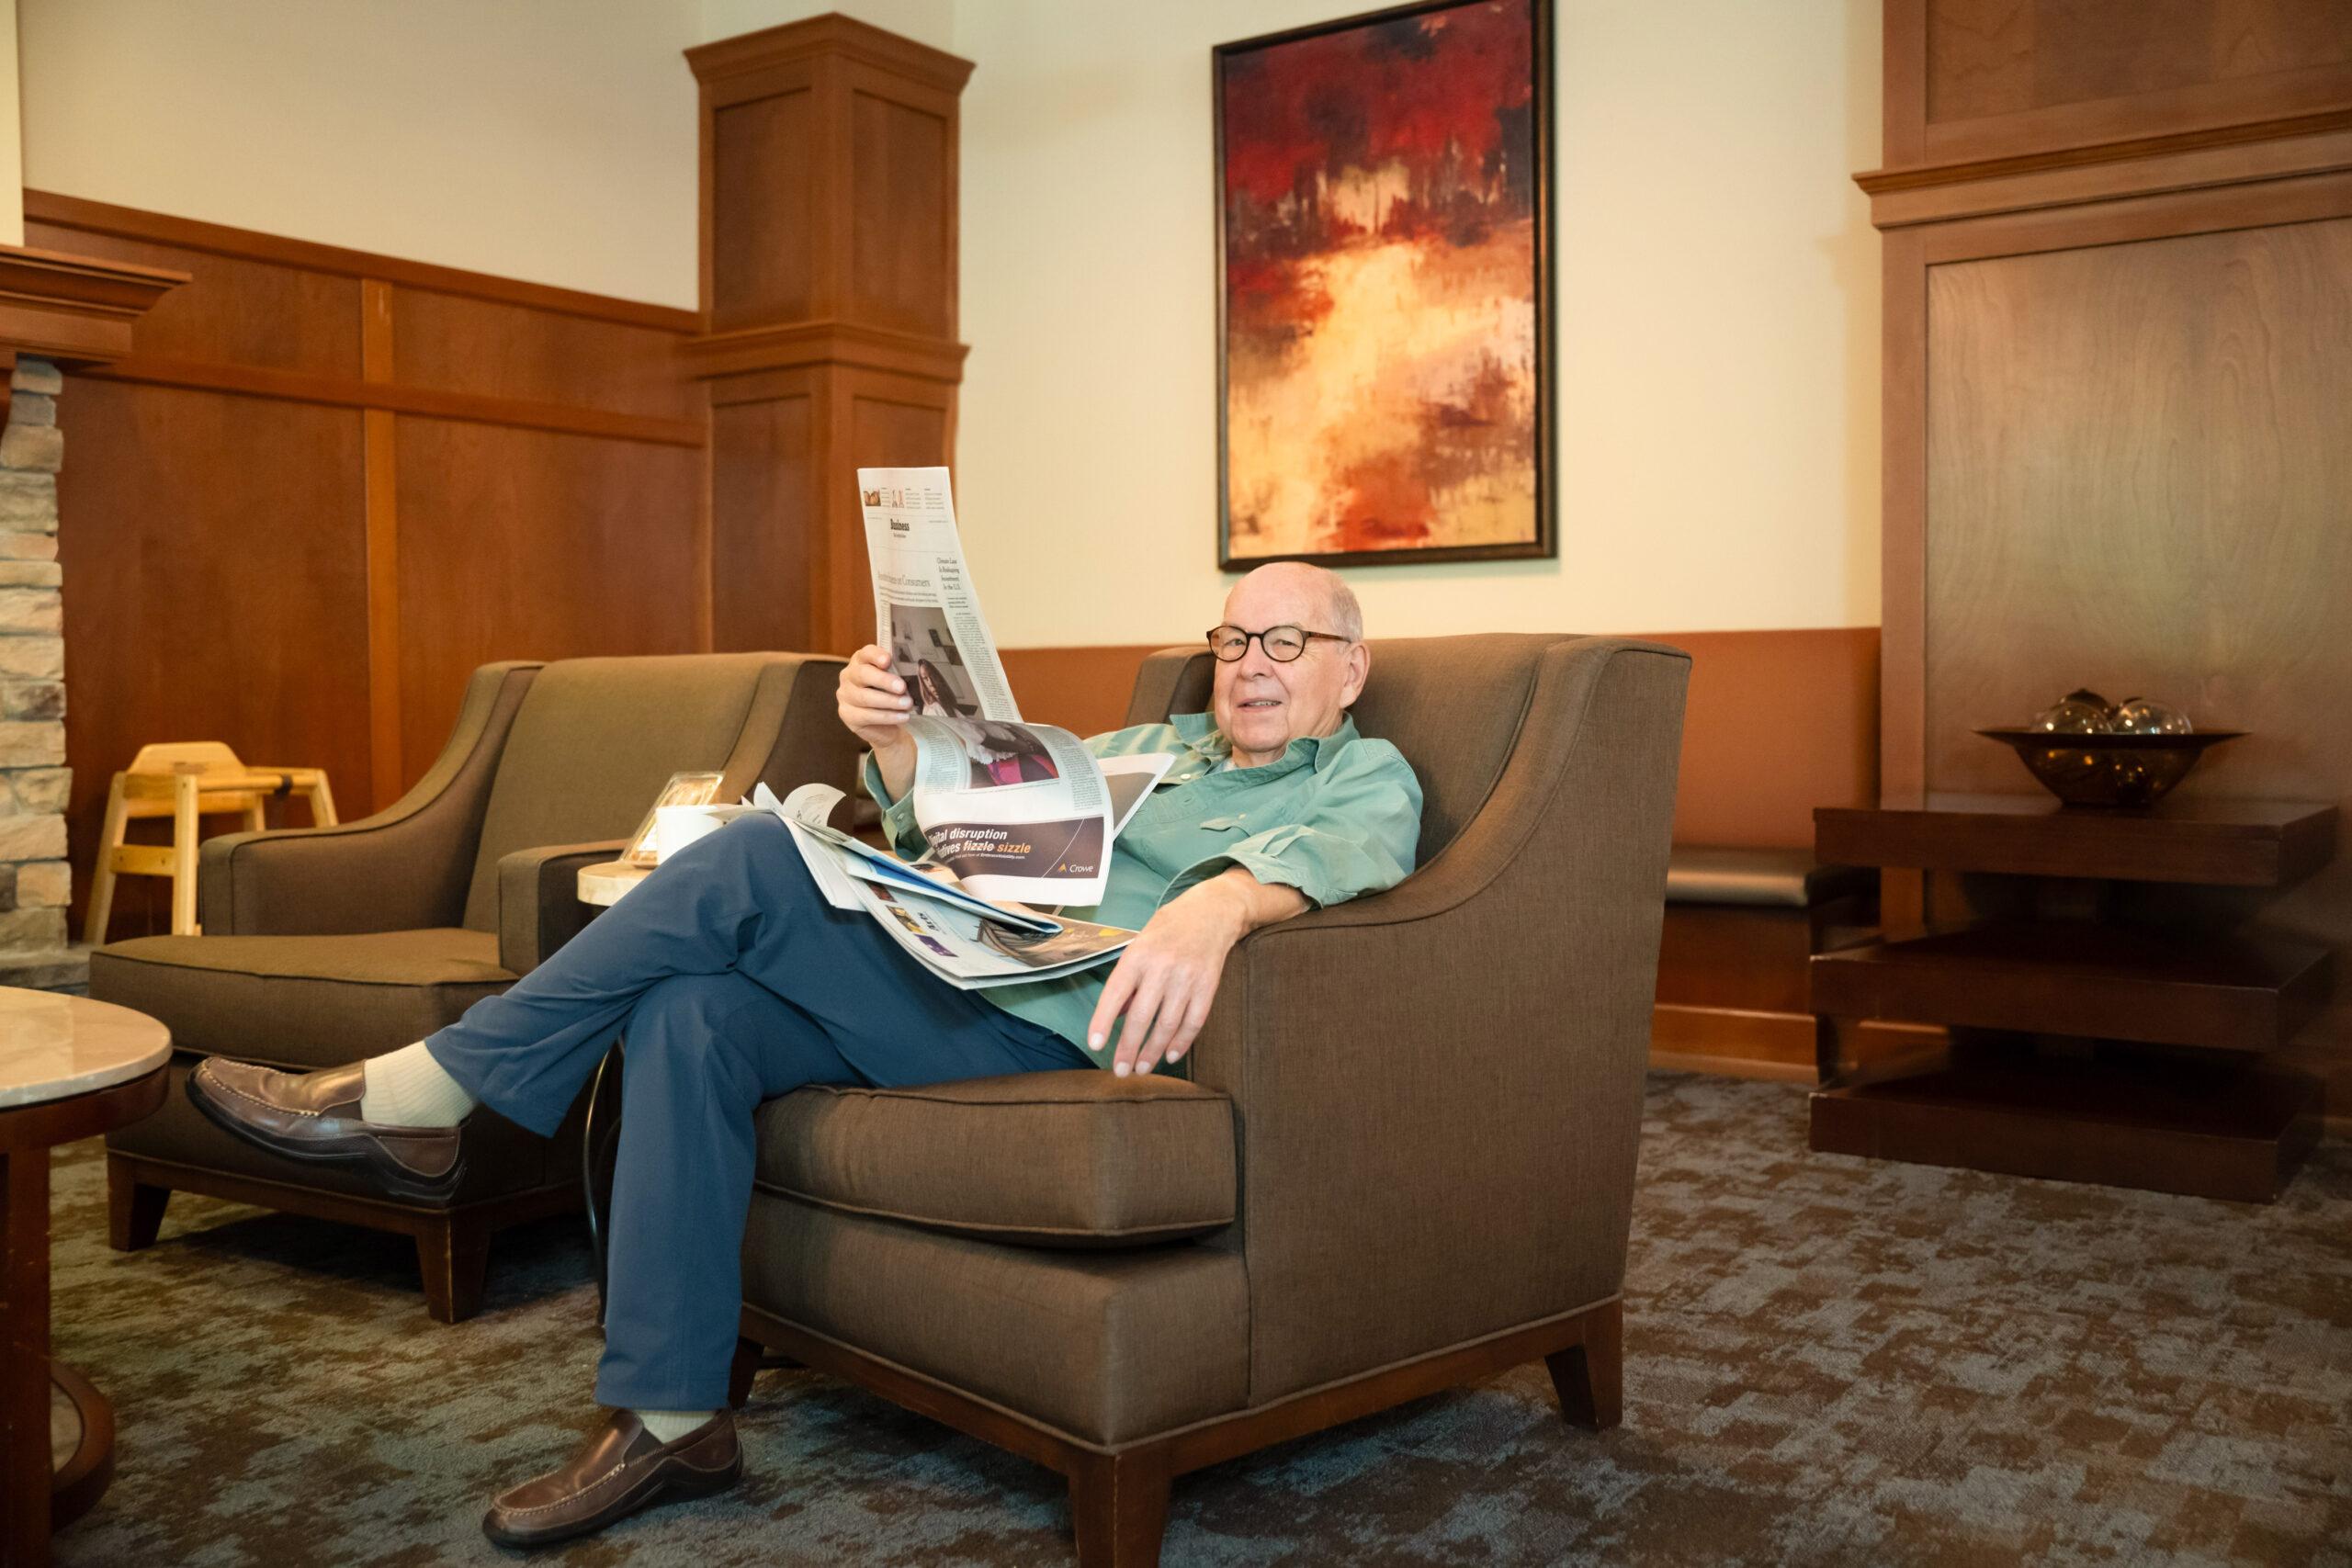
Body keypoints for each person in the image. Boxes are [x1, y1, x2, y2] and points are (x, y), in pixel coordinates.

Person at [185, 561, 1423, 1548]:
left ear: (1349, 666)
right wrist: (892, 749)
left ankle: (429, 1090)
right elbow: (981, 831)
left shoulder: (1364, 776)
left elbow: (1344, 863)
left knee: (747, 856)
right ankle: (674, 1421)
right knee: (690, 1012)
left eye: (1286, 644)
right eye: (1233, 641)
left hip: (1056, 1026)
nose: (1250, 668)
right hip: (959, 970)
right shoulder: (1142, 751)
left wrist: (1215, 906)